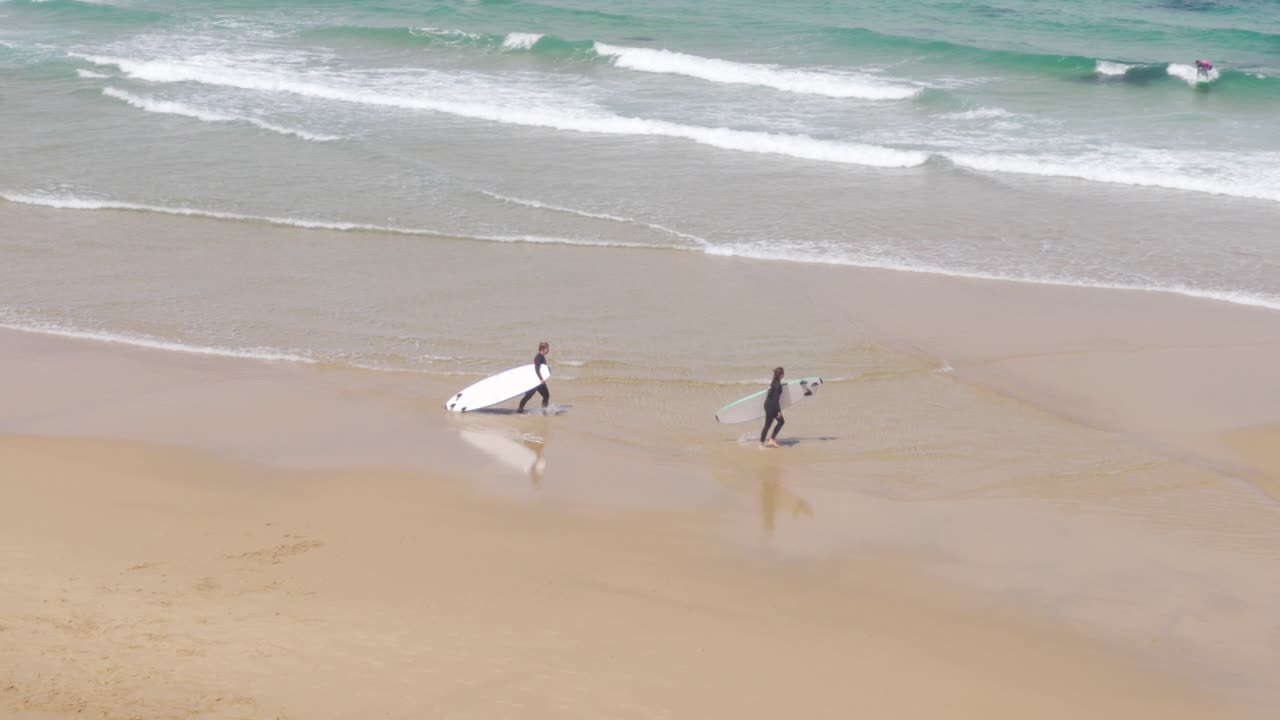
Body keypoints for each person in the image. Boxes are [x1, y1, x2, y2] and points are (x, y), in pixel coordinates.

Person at [516, 342, 550, 414]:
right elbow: (537, 369)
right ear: (543, 349)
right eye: (547, 348)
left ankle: (544, 411)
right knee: (528, 396)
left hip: (538, 381)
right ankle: (520, 409)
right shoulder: (538, 357)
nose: (548, 350)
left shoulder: (541, 356)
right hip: (536, 381)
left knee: (545, 396)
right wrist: (541, 379)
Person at [760, 366, 785, 448]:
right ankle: (762, 444)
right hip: (772, 406)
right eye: (783, 373)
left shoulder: (774, 381)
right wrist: (778, 411)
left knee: (780, 422)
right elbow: (775, 400)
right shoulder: (778, 385)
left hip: (768, 404)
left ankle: (771, 440)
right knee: (769, 425)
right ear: (781, 375)